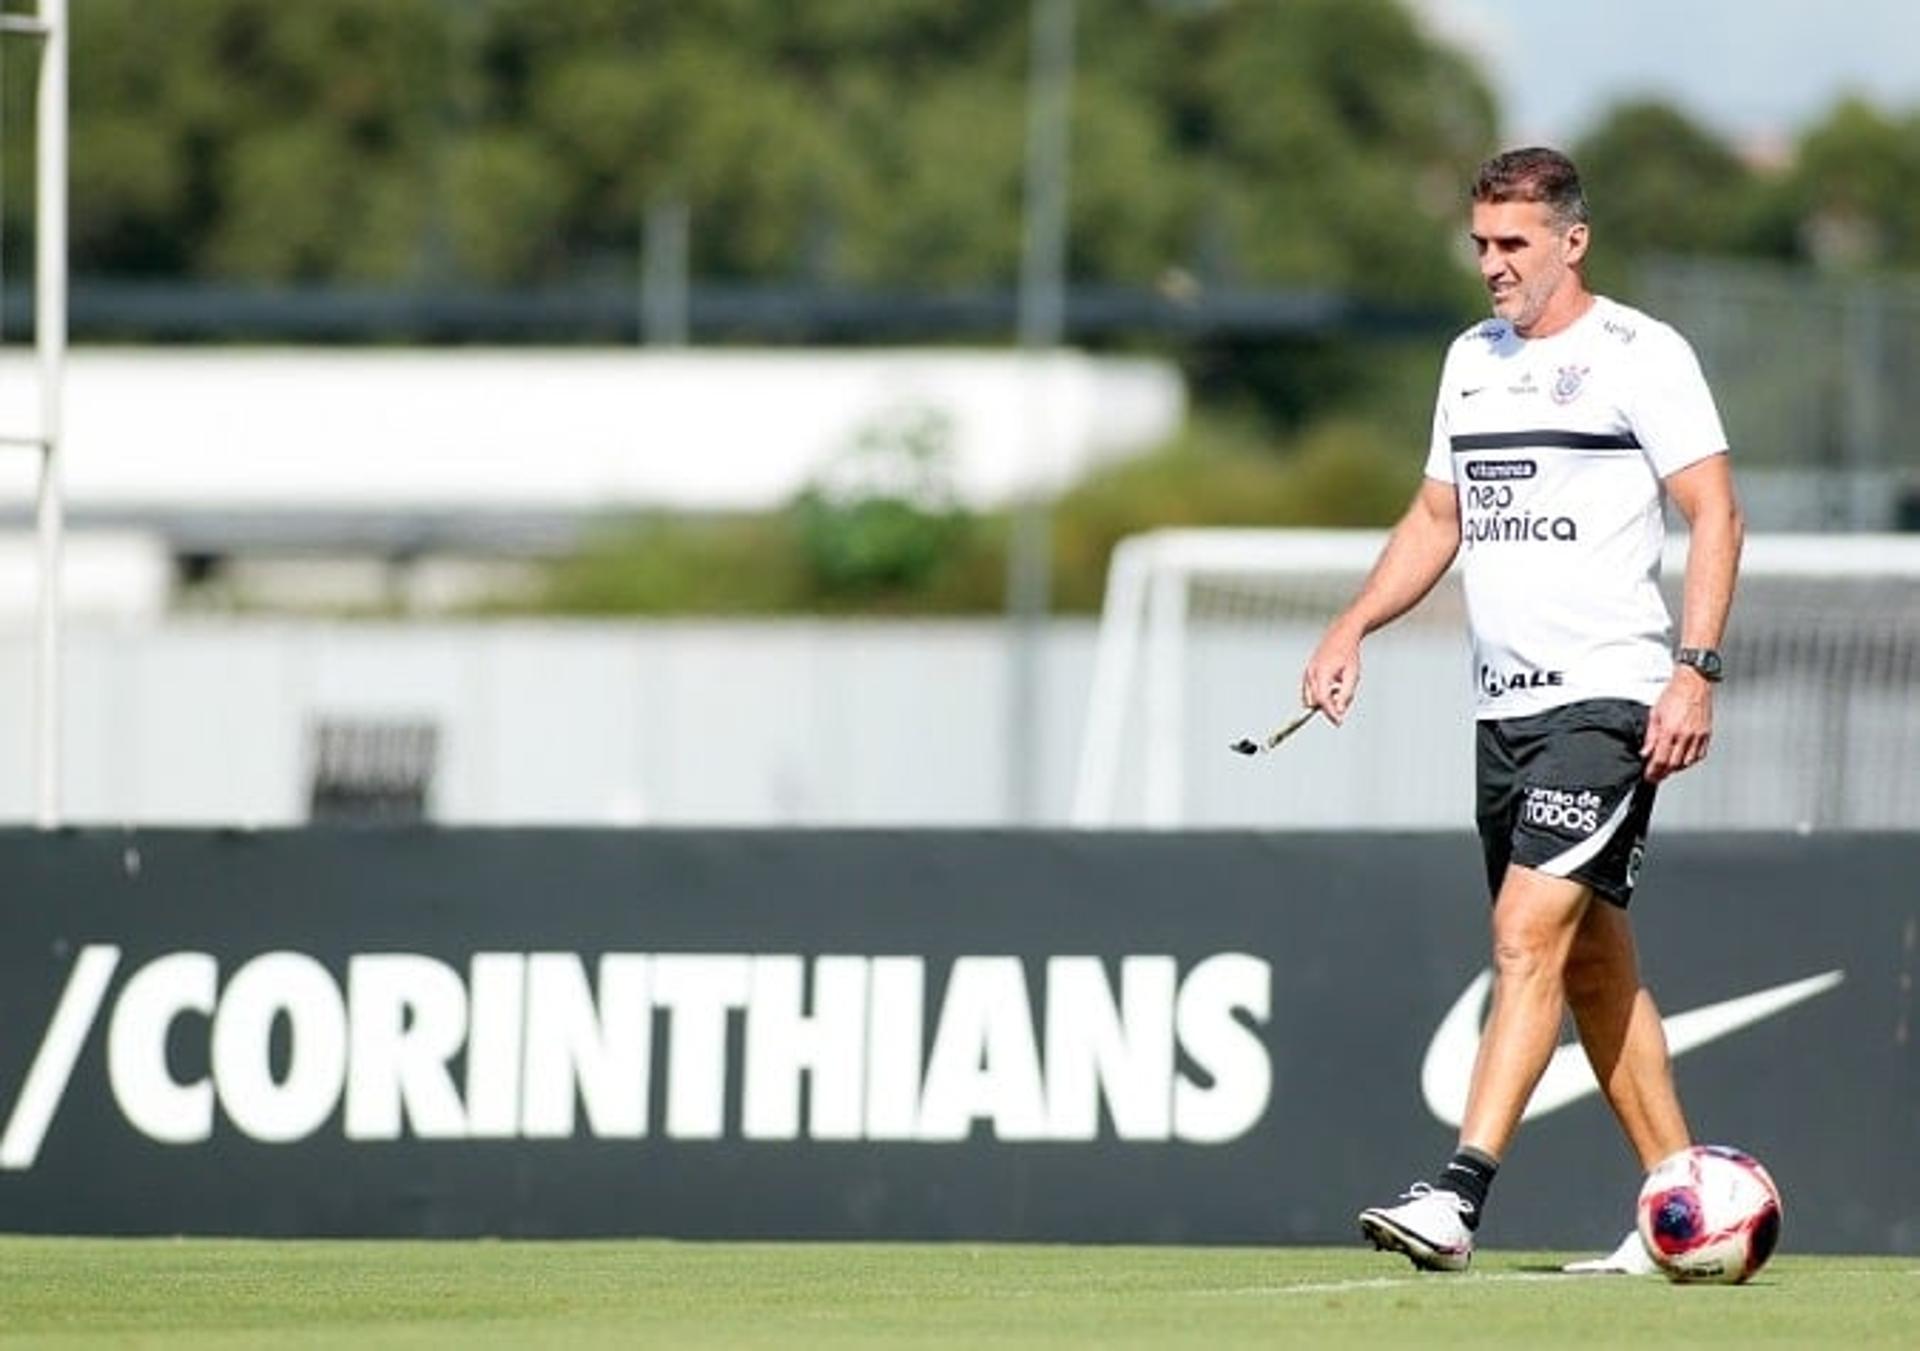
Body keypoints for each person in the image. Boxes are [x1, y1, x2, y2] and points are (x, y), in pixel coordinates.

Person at [1300, 146, 1743, 1274]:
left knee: (1523, 935)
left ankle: (1458, 1196)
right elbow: (1436, 519)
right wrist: (1352, 626)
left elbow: (1716, 512)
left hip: (1607, 699)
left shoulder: (1641, 355)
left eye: (1513, 245)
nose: (1492, 266)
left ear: (1571, 241)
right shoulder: (1469, 361)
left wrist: (1693, 668)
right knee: (1593, 964)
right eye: (1481, 246)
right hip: (1502, 713)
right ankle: (1685, 1206)